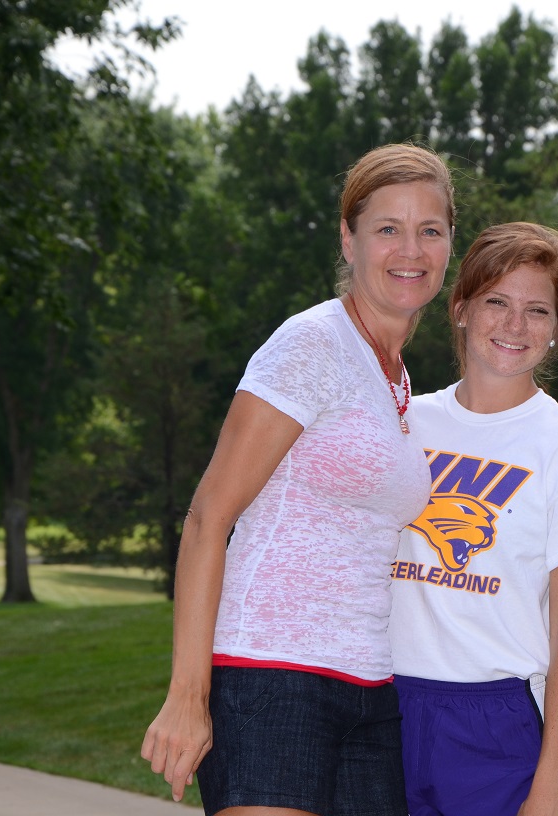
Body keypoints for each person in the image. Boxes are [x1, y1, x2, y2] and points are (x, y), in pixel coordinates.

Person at [140, 142, 456, 816]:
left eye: (430, 229)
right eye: (387, 229)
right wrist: (188, 697)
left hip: (371, 690)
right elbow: (207, 519)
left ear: (449, 244)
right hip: (270, 679)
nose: (411, 249)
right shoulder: (310, 344)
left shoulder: (394, 378)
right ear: (349, 240)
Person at [388, 222, 558, 816]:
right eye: (497, 301)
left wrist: (550, 791)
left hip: (495, 720)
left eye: (537, 310)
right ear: (461, 308)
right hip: (381, 703)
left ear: (557, 331)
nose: (515, 325)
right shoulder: (406, 421)